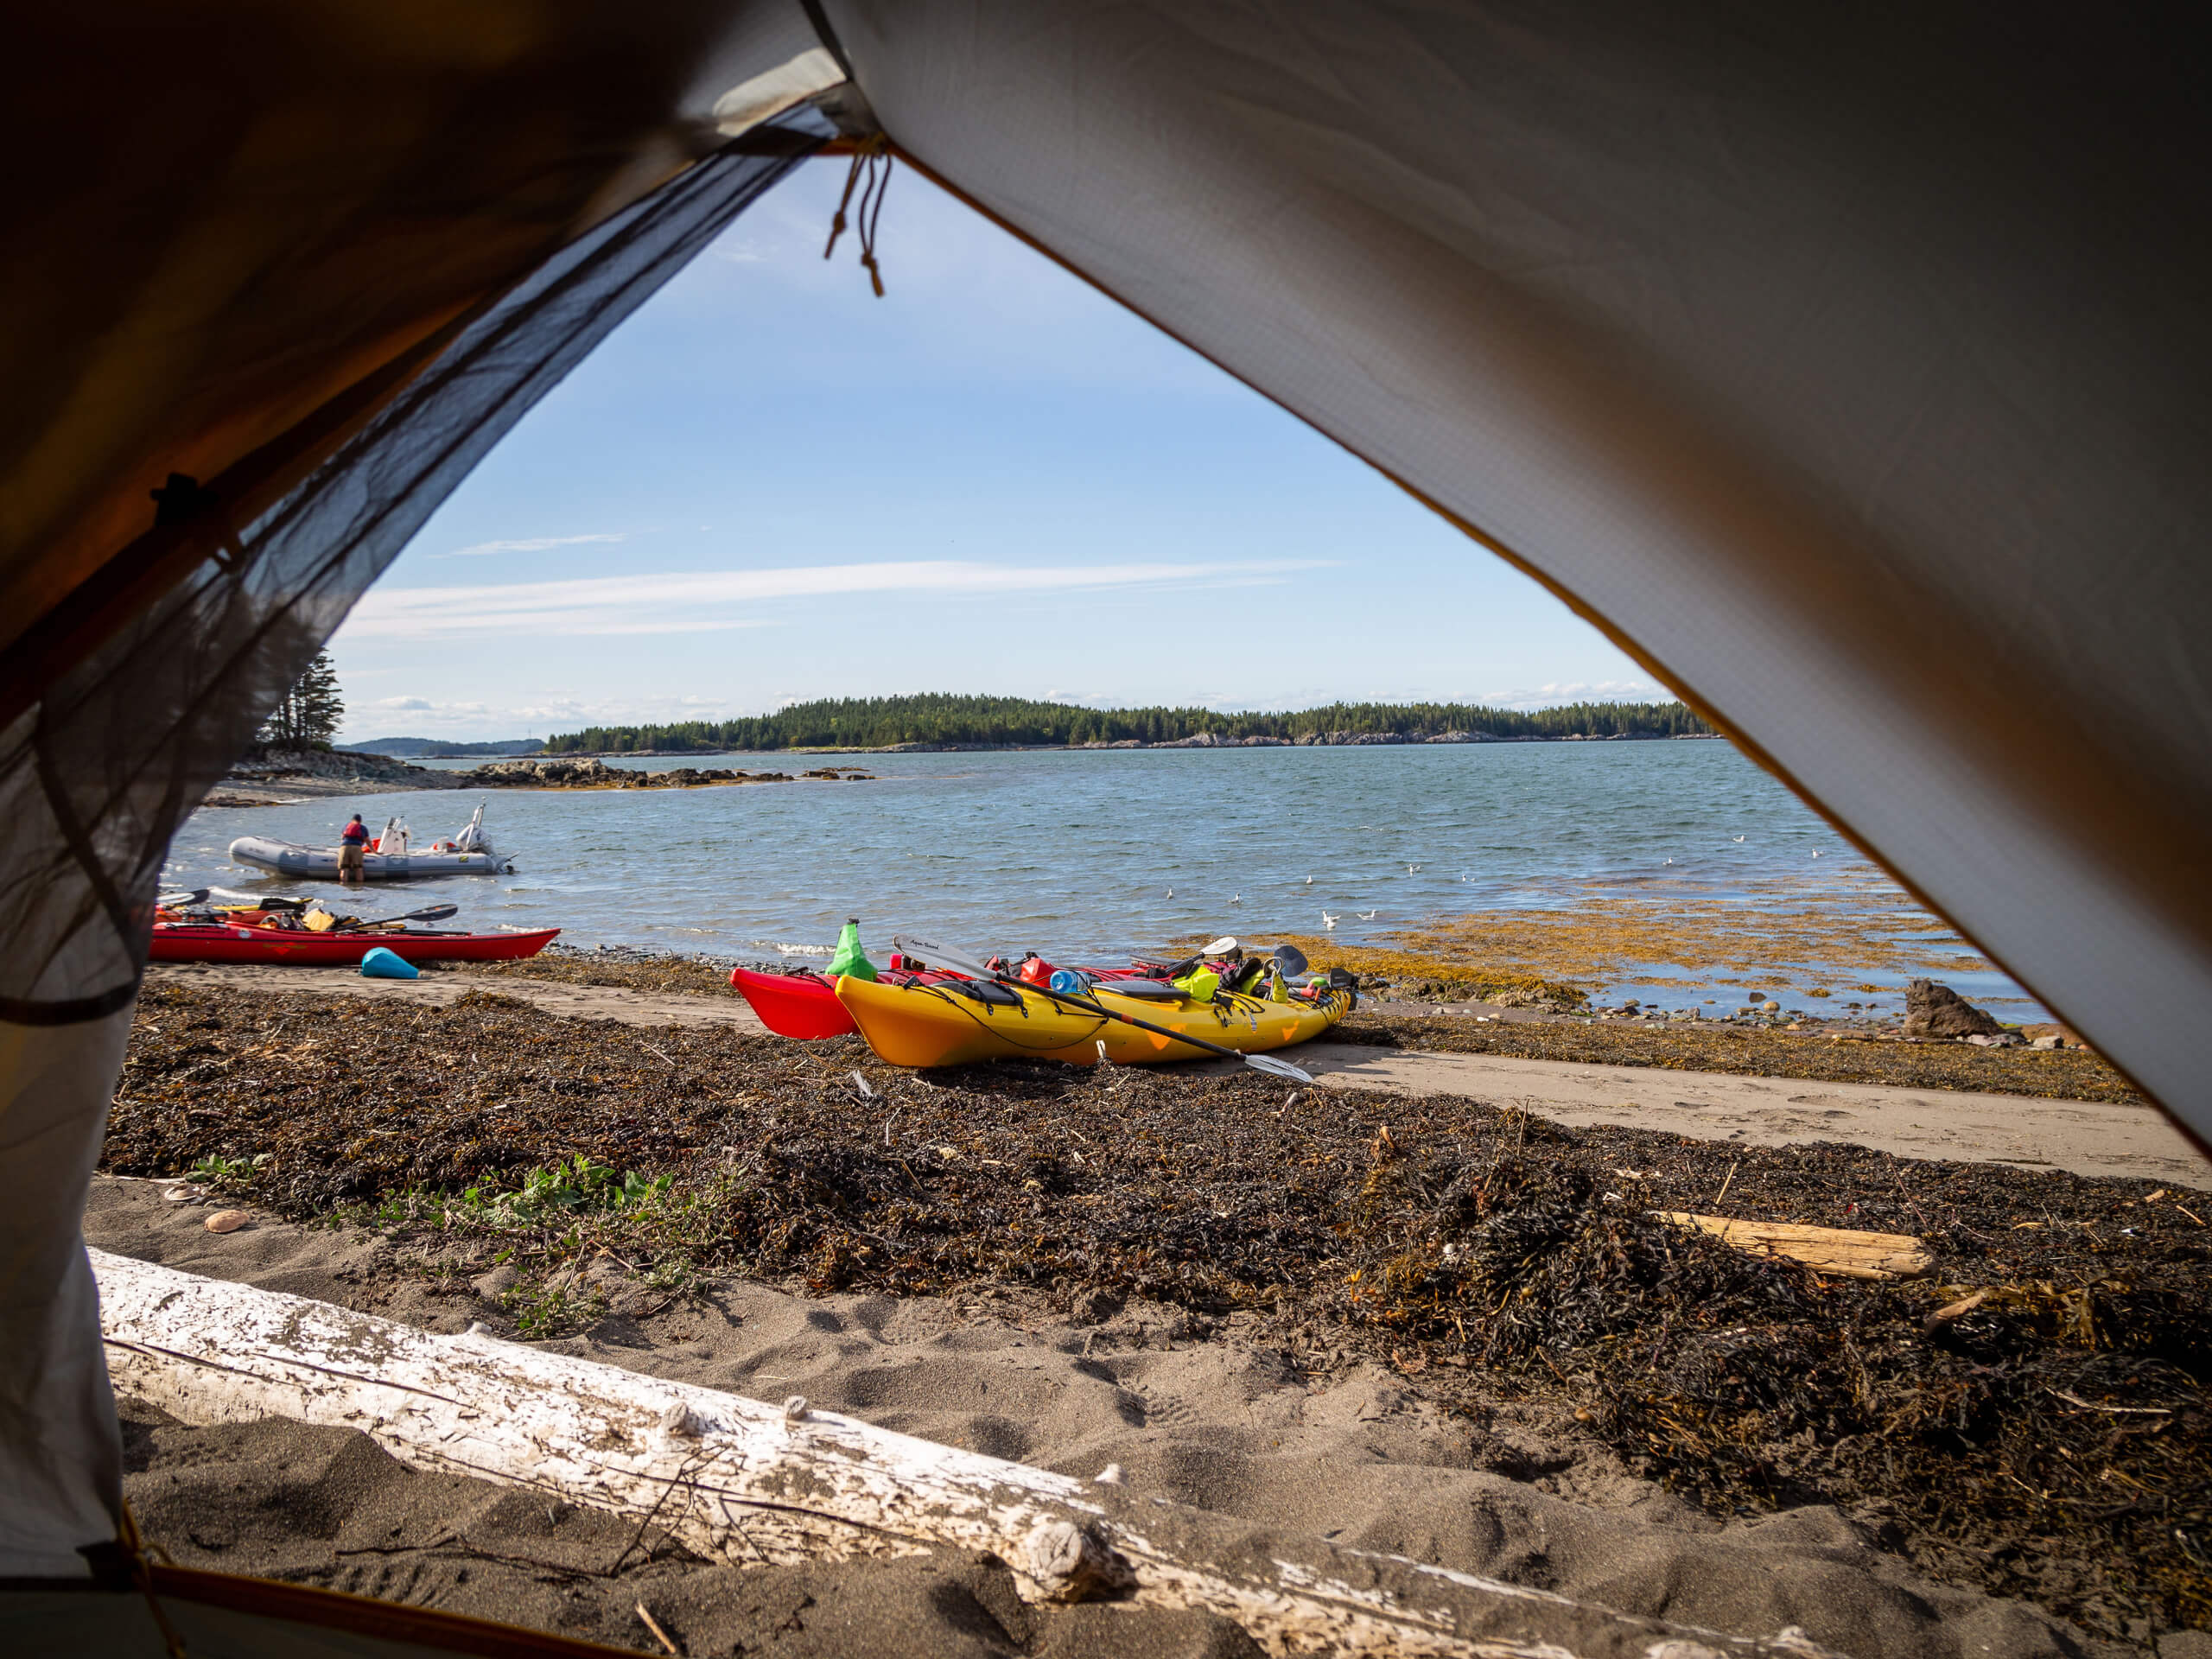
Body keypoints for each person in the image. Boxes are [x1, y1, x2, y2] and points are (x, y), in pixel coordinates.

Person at [337, 813, 369, 885]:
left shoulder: (346, 826)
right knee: (358, 869)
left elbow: (342, 838)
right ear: (360, 821)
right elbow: (367, 841)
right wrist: (374, 851)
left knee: (344, 869)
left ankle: (343, 886)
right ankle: (359, 886)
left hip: (344, 847)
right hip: (356, 848)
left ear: (352, 820)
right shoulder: (363, 828)